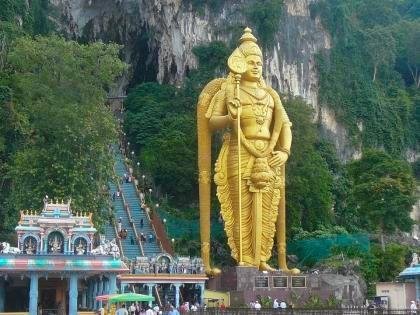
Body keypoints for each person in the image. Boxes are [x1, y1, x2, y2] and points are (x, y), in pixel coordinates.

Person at [198, 27, 294, 274]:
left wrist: (284, 151)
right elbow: (210, 122)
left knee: (268, 208)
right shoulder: (230, 90)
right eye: (250, 61)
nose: (256, 66)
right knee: (240, 207)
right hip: (238, 151)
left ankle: (263, 258)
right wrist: (230, 117)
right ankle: (244, 258)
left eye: (259, 62)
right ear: (239, 64)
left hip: (269, 154)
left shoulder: (272, 94)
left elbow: (285, 126)